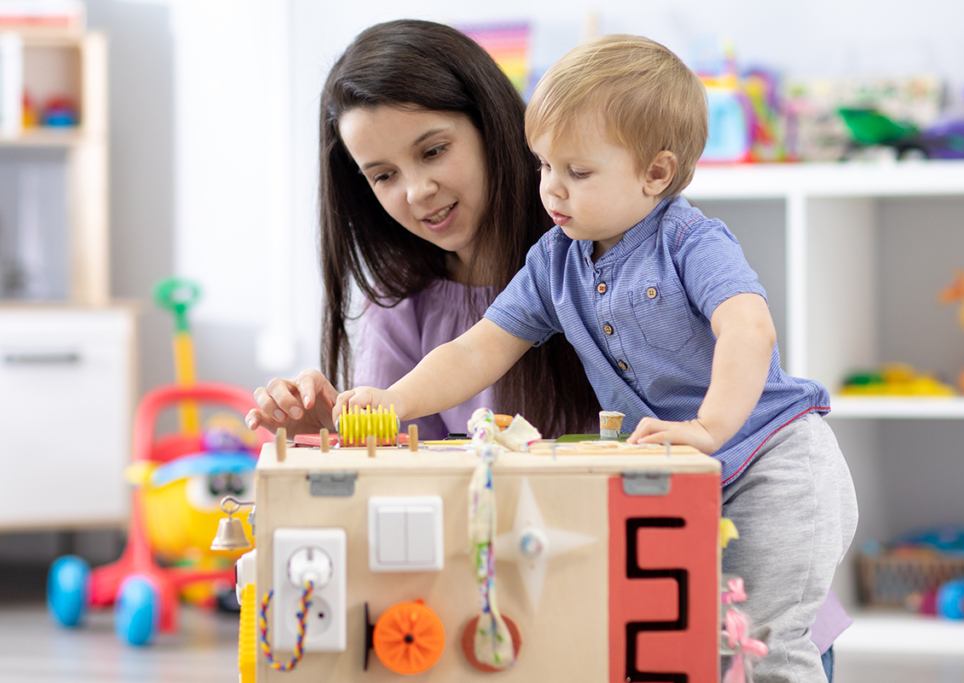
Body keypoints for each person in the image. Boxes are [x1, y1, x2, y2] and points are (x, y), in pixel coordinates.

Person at [338, 35, 858, 682]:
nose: (552, 191)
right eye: (543, 167)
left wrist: (708, 429)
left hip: (771, 462)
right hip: (691, 482)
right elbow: (478, 349)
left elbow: (749, 330)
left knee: (762, 646)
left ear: (656, 175)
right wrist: (395, 401)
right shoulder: (554, 259)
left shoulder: (691, 241)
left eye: (576, 173)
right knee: (692, 647)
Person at [245, 19, 599, 441]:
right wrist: (339, 430)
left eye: (433, 151)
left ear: (491, 125)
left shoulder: (600, 257)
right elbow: (408, 472)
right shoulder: (402, 300)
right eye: (383, 176)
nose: (417, 192)